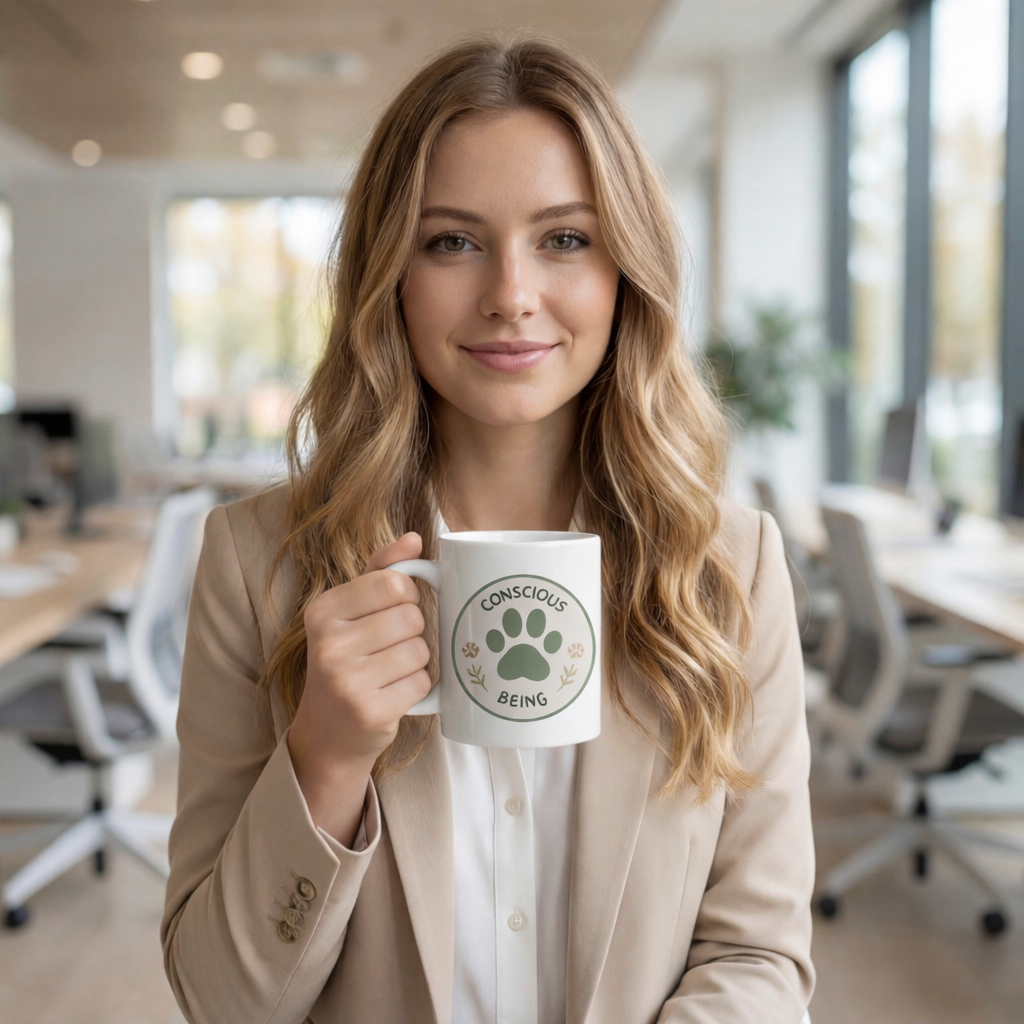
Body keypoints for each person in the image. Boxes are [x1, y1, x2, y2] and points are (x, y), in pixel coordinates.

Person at [161, 36, 814, 1024]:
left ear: (623, 269)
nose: (511, 293)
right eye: (451, 241)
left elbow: (760, 956)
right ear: (391, 275)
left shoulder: (727, 568)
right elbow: (218, 999)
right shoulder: (258, 566)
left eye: (563, 239)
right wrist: (325, 758)